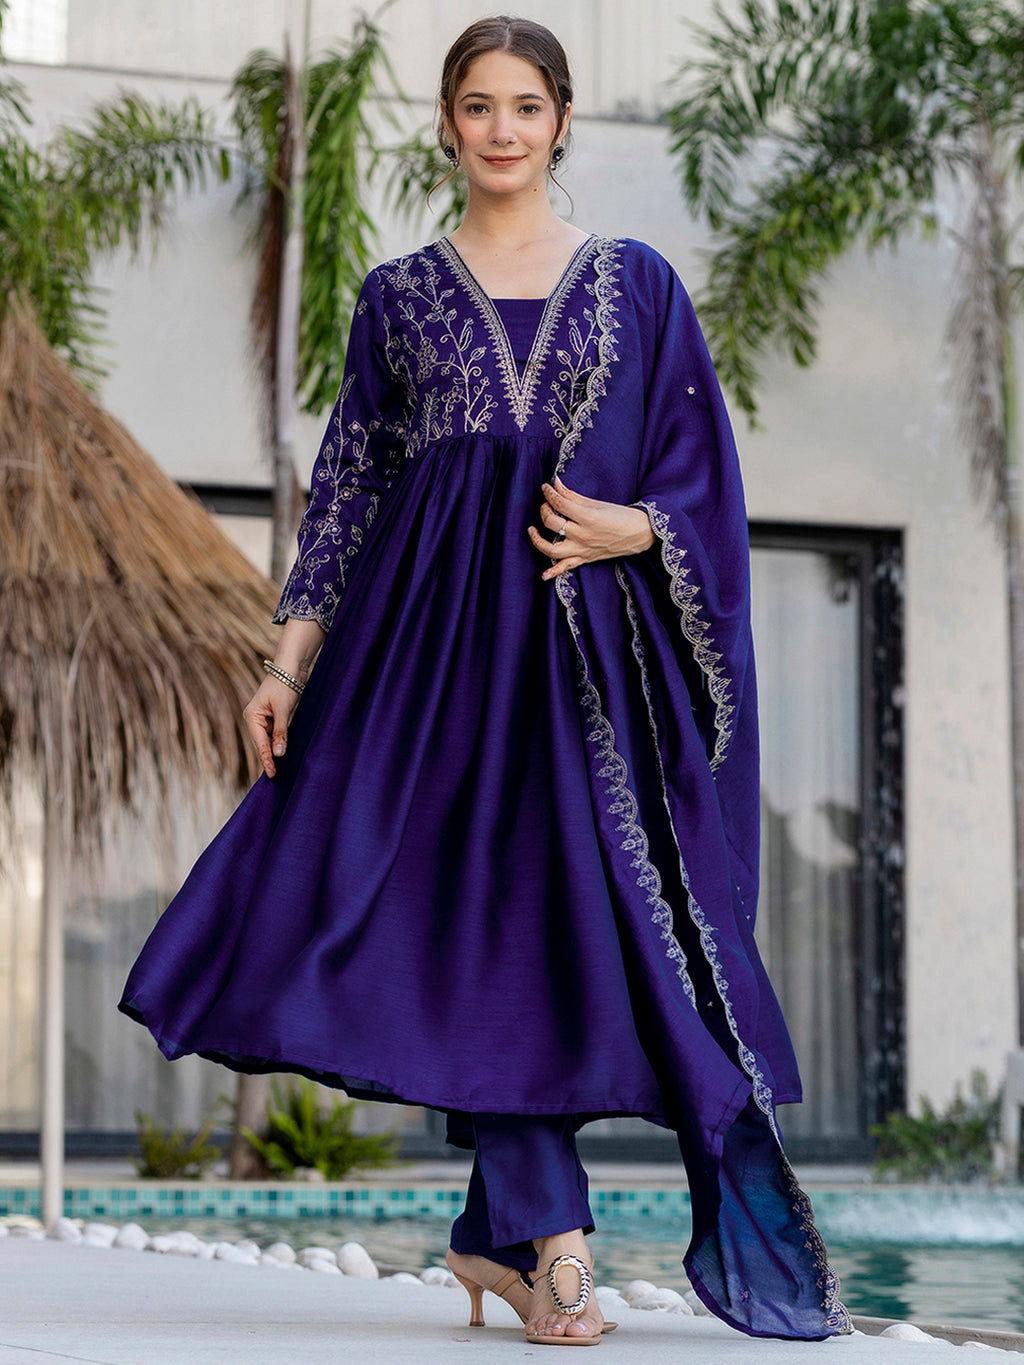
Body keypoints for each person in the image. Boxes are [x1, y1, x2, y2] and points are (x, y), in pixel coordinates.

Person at [120, 15, 852, 1348]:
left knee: (572, 935)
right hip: (431, 671)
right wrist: (285, 659)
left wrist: (642, 530)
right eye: (477, 105)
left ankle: (489, 1242)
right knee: (458, 925)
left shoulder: (640, 287)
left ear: (562, 121)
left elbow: (699, 478)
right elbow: (347, 487)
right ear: (448, 124)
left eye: (526, 104)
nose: (502, 127)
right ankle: (552, 1244)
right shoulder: (398, 297)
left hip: (589, 675)